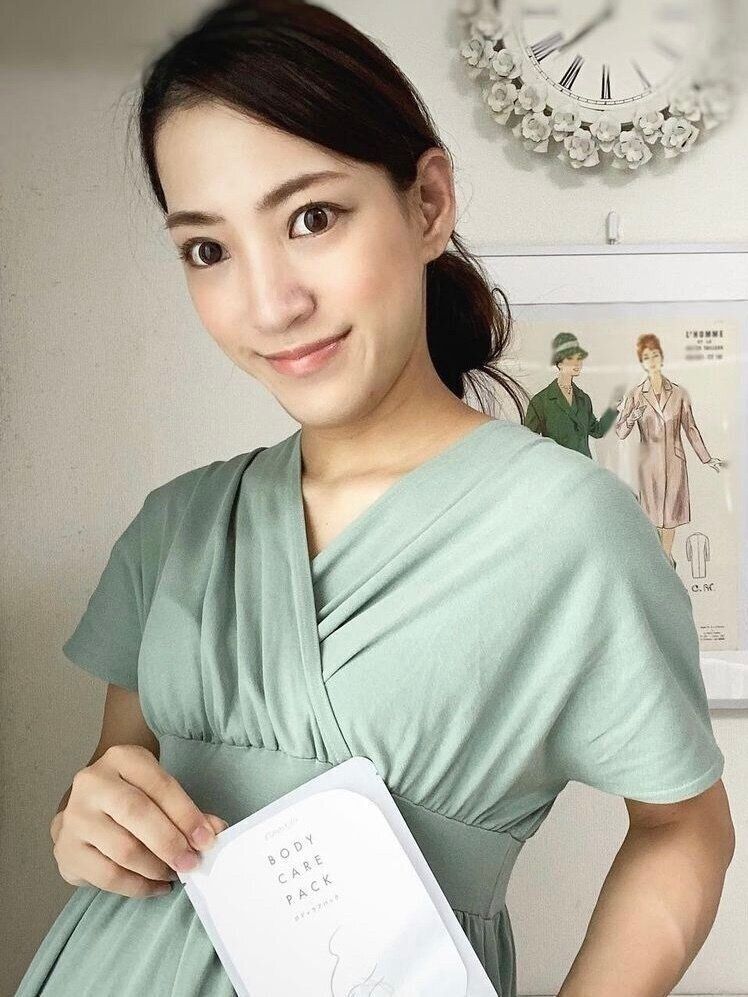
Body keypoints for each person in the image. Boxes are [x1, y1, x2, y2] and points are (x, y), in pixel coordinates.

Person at [15, 2, 734, 995]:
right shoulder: (177, 525)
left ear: (427, 204)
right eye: (208, 250)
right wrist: (84, 820)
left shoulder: (567, 528)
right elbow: (114, 779)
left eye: (311, 218)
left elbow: (684, 829)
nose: (270, 303)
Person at [615, 332, 726, 570]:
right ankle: (663, 561)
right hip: (649, 465)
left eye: (655, 355)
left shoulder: (679, 393)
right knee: (653, 516)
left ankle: (666, 560)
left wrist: (706, 459)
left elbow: (691, 428)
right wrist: (632, 417)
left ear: (662, 358)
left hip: (675, 461)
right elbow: (620, 432)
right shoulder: (635, 394)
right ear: (642, 362)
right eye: (647, 357)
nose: (652, 361)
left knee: (671, 515)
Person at [522, 332, 623, 459]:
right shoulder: (540, 401)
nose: (577, 363)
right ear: (559, 363)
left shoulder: (583, 399)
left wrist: (613, 407)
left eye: (579, 358)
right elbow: (530, 444)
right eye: (570, 358)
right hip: (559, 467)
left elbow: (597, 431)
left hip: (585, 467)